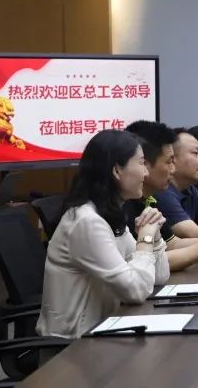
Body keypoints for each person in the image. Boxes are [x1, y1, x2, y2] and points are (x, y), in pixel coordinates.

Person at [37, 130, 170, 338]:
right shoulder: (86, 221)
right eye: (141, 163)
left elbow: (159, 278)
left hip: (103, 330)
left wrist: (154, 235)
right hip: (72, 347)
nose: (146, 173)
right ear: (117, 170)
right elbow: (136, 291)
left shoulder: (109, 213)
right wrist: (144, 239)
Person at [125, 121, 198, 271]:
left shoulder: (148, 199)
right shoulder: (121, 206)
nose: (173, 169)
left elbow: (171, 244)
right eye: (169, 162)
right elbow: (144, 265)